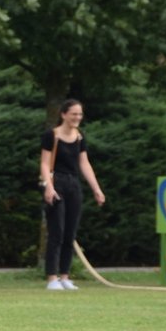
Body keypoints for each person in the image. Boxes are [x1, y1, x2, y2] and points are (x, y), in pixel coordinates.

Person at [40, 99, 106, 290]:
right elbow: (44, 163)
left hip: (73, 184)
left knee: (70, 232)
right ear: (64, 114)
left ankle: (65, 276)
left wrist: (96, 189)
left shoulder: (79, 137)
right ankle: (52, 278)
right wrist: (48, 187)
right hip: (56, 183)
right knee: (57, 231)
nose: (77, 117)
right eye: (73, 114)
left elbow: (84, 163)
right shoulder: (52, 135)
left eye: (80, 114)